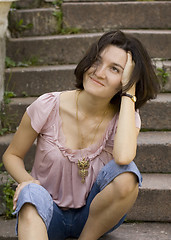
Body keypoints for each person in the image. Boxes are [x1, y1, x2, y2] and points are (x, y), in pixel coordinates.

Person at [2, 30, 160, 240]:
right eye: (97, 61)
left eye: (114, 69)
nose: (99, 72)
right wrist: (29, 181)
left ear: (127, 79)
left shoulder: (126, 116)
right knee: (30, 194)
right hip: (47, 213)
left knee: (127, 174)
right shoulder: (48, 106)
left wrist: (129, 93)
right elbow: (11, 155)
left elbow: (123, 158)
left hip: (94, 217)